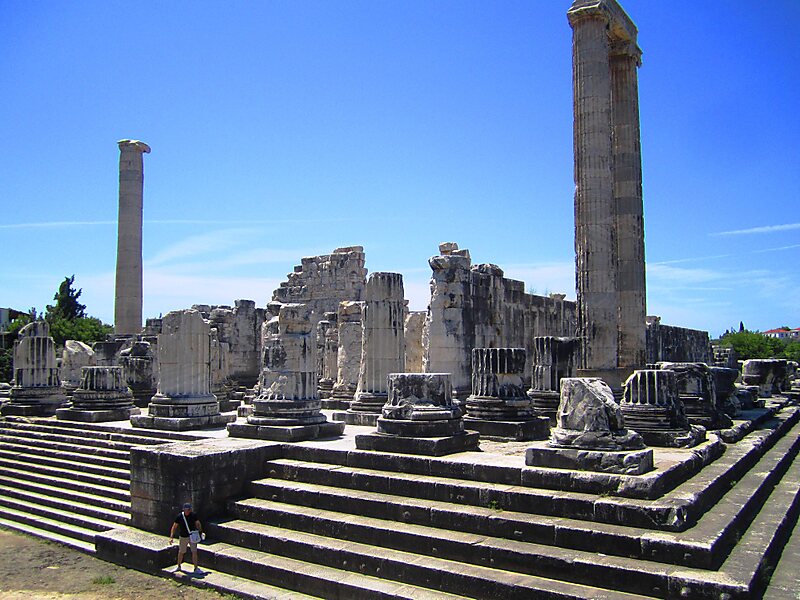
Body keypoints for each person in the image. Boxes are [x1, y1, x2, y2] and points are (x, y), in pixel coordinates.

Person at [168, 502, 204, 572]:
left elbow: (198, 524)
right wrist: (171, 537)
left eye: (188, 510)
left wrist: (201, 532)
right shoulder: (180, 516)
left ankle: (196, 568)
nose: (187, 511)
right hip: (183, 536)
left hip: (192, 536)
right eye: (185, 510)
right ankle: (178, 566)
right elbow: (174, 526)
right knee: (181, 552)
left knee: (194, 552)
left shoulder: (193, 515)